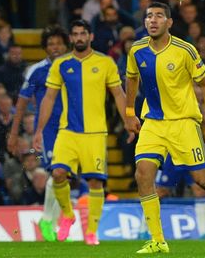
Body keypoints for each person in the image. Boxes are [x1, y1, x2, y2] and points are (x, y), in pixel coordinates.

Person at [126, 1, 205, 253]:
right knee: (143, 174)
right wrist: (130, 113)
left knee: (203, 180)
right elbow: (131, 78)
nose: (152, 20)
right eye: (149, 16)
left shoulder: (185, 50)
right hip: (153, 122)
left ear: (170, 23)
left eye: (159, 16)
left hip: (183, 123)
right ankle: (158, 240)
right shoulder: (137, 50)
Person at [34, 20, 133, 246]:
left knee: (96, 183)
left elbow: (118, 94)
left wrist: (128, 119)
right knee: (58, 174)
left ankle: (91, 232)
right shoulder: (61, 64)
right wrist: (39, 129)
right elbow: (49, 97)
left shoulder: (105, 62)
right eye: (75, 34)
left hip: (96, 133)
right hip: (67, 131)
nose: (79, 38)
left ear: (90, 37)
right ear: (71, 38)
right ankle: (67, 215)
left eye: (83, 34)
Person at [8, 26, 70, 241]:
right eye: (51, 44)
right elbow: (22, 102)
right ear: (45, 48)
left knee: (64, 175)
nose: (55, 47)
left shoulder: (74, 67)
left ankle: (51, 222)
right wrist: (14, 133)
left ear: (65, 45)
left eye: (59, 43)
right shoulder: (37, 71)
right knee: (57, 172)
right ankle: (51, 221)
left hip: (73, 128)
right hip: (48, 130)